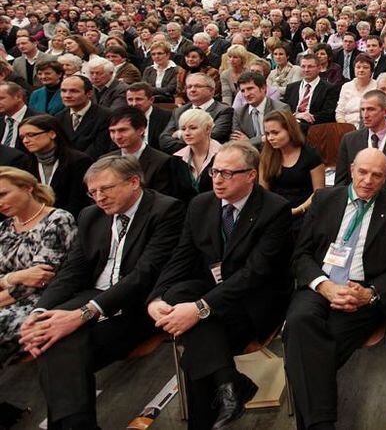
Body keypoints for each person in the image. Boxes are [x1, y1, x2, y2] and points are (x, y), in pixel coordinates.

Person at [21, 156, 183, 430]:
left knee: (59, 346)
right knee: (48, 333)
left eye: (105, 189)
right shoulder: (91, 215)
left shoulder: (166, 210)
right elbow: (73, 270)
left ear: (134, 182)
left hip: (138, 303)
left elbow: (144, 275)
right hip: (92, 294)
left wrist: (83, 314)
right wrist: (39, 312)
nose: (99, 198)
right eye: (93, 192)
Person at [148, 142, 293, 430]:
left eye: (227, 173)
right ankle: (229, 381)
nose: (217, 179)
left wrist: (199, 308)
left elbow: (254, 274)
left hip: (255, 302)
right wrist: (156, 299)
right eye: (214, 171)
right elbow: (181, 258)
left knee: (195, 334)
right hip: (214, 294)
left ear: (251, 175)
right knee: (177, 297)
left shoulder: (275, 209)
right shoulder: (200, 204)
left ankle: (227, 388)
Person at [283, 148, 386, 428]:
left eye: (376, 175)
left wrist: (370, 294)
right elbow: (301, 255)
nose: (368, 180)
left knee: (306, 353)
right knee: (298, 322)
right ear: (351, 169)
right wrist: (324, 286)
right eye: (362, 172)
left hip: (361, 294)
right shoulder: (325, 199)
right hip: (320, 284)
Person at [0, 168, 76, 367]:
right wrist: (15, 277)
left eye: (3, 194)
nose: (0, 203)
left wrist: (8, 281)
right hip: (8, 302)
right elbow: (22, 279)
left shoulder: (57, 219)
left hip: (43, 301)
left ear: (28, 188)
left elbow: (40, 279)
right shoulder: (4, 228)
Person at [335, 90, 386, 199]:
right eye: (362, 109)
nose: (365, 115)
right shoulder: (349, 140)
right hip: (354, 202)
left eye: (371, 109)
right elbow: (341, 181)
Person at [105, 106, 192, 202]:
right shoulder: (105, 160)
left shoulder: (163, 162)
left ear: (141, 130)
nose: (117, 136)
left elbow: (163, 200)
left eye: (123, 130)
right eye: (112, 131)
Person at [20, 115, 94, 218]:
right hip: (36, 219)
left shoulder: (79, 161)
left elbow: (78, 201)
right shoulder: (25, 163)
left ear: (52, 134)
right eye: (22, 137)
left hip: (68, 219)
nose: (25, 141)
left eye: (31, 135)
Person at [259, 110, 325, 222]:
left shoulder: (310, 155)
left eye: (275, 133)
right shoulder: (267, 155)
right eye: (268, 134)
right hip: (275, 213)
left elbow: (318, 193)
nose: (270, 138)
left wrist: (297, 210)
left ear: (290, 130)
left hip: (305, 212)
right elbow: (263, 191)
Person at [159, 73, 235, 153]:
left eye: (198, 86)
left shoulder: (224, 111)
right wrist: (193, 143)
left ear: (211, 91)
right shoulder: (179, 111)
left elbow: (212, 137)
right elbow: (164, 141)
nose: (192, 90)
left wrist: (179, 134)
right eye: (189, 87)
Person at [54, 74, 112, 158]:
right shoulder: (59, 118)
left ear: (89, 93)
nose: (67, 95)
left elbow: (100, 149)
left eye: (74, 91)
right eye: (63, 91)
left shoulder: (106, 116)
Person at [230, 72, 290, 148]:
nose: (246, 94)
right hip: (249, 153)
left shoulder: (280, 109)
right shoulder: (239, 113)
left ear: (263, 88)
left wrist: (249, 141)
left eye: (250, 89)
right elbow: (237, 142)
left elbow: (279, 137)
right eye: (243, 91)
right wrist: (261, 139)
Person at [284, 54, 338, 133]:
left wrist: (306, 118)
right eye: (303, 66)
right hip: (292, 123)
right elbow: (285, 109)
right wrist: (297, 115)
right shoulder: (291, 87)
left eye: (310, 67)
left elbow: (328, 114)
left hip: (315, 126)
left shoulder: (329, 88)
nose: (306, 70)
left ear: (319, 68)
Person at [173, 108, 221, 195]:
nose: (187, 133)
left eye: (193, 128)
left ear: (208, 129)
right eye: (183, 129)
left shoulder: (223, 155)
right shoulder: (177, 158)